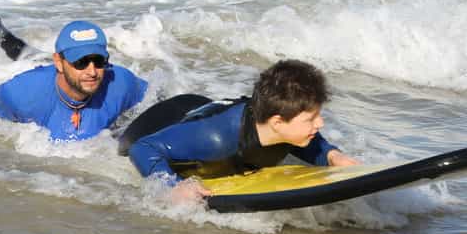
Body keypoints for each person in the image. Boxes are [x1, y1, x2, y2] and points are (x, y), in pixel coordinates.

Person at [125, 59, 359, 202]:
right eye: (312, 119)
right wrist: (173, 186)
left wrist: (331, 155)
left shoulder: (281, 125)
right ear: (277, 123)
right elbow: (142, 147)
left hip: (210, 112)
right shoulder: (215, 139)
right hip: (160, 122)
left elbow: (302, 138)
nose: (320, 124)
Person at [0, 6, 149, 141]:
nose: (92, 72)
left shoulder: (120, 82)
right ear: (59, 63)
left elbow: (155, 98)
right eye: (81, 62)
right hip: (44, 72)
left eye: (98, 61)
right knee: (24, 53)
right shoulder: (21, 93)